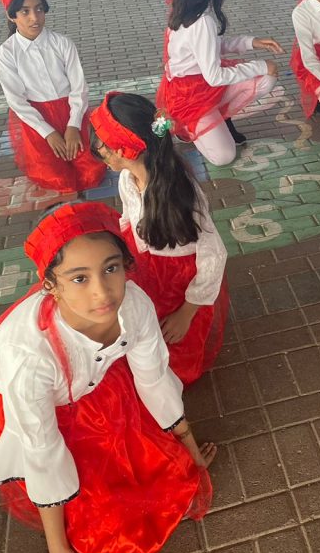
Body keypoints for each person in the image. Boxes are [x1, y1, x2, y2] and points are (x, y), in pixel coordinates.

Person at [0, 201, 215, 553]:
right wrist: (60, 552)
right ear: (51, 285)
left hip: (100, 388)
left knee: (158, 477)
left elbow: (153, 377)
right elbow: (42, 448)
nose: (103, 292)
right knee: (95, 520)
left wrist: (191, 451)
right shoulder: (30, 356)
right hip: (42, 411)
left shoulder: (134, 304)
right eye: (79, 278)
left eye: (111, 268)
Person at [90, 92, 229, 385]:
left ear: (129, 150)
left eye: (105, 144)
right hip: (143, 267)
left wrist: (187, 312)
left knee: (172, 356)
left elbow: (215, 254)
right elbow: (128, 216)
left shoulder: (180, 196)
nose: (99, 149)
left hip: (178, 283)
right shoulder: (127, 177)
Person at [156, 0, 282, 166]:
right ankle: (185, 126)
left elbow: (209, 47)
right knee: (224, 156)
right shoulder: (201, 20)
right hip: (192, 97)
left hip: (190, 88)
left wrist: (251, 42)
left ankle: (211, 120)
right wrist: (261, 65)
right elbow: (214, 76)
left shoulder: (184, 8)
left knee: (266, 78)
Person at [0, 0, 105, 193]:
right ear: (11, 16)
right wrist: (48, 133)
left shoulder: (62, 43)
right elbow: (16, 100)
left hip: (71, 111)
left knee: (92, 172)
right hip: (37, 119)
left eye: (39, 9)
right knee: (58, 178)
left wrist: (73, 126)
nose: (34, 18)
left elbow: (79, 87)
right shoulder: (7, 52)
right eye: (25, 11)